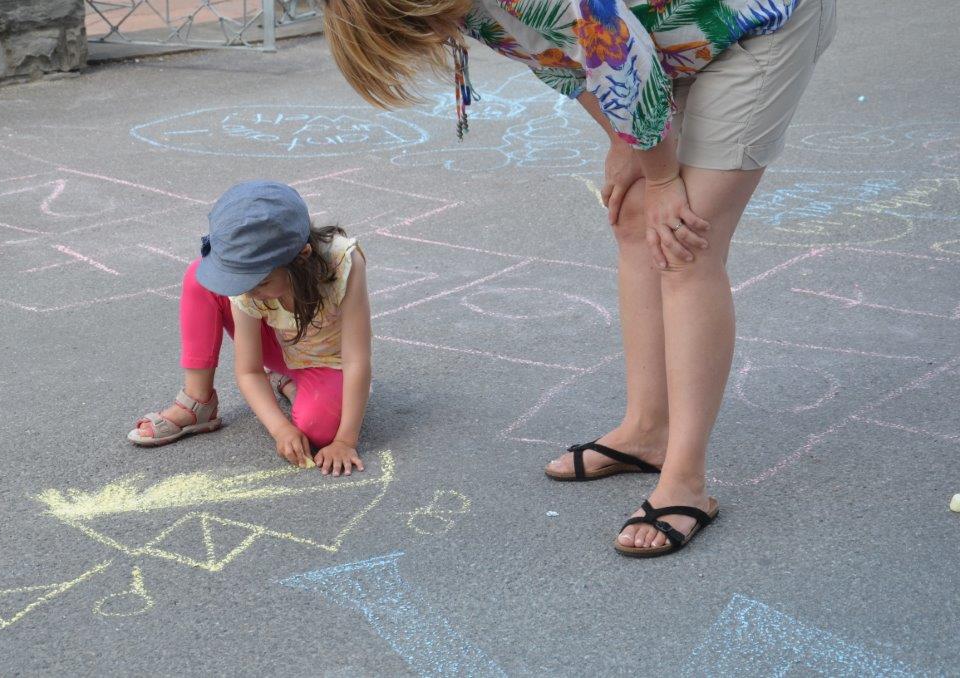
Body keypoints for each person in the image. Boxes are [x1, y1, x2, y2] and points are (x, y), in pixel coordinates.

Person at [322, 0, 836, 554]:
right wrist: (624, 143)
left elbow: (619, 51)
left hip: (757, 27)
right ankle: (648, 430)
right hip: (669, 39)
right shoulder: (464, 8)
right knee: (635, 222)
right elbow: (556, 58)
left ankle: (686, 479)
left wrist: (661, 176)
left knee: (686, 242)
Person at [128, 181, 372, 477]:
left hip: (326, 359)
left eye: (261, 282)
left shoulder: (343, 263)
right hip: (279, 344)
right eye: (242, 282)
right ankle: (198, 401)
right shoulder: (248, 285)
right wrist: (280, 429)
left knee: (320, 433)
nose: (247, 291)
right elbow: (249, 370)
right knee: (198, 277)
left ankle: (294, 381)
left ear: (302, 256)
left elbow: (356, 359)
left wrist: (346, 440)